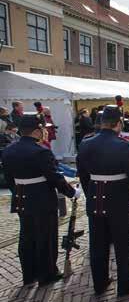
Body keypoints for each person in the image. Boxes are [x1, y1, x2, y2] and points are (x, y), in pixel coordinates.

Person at [77, 105, 129, 296]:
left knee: (98, 243)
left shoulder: (86, 143)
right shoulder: (124, 145)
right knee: (122, 244)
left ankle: (100, 283)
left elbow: (83, 175)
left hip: (95, 198)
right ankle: (125, 284)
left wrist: (90, 194)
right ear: (118, 123)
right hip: (118, 200)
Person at [2, 113, 80, 286]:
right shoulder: (41, 151)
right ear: (37, 131)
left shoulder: (8, 150)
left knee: (26, 236)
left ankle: (29, 275)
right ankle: (47, 274)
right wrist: (71, 192)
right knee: (46, 236)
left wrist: (18, 192)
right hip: (42, 198)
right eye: (43, 129)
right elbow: (54, 178)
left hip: (22, 196)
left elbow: (9, 179)